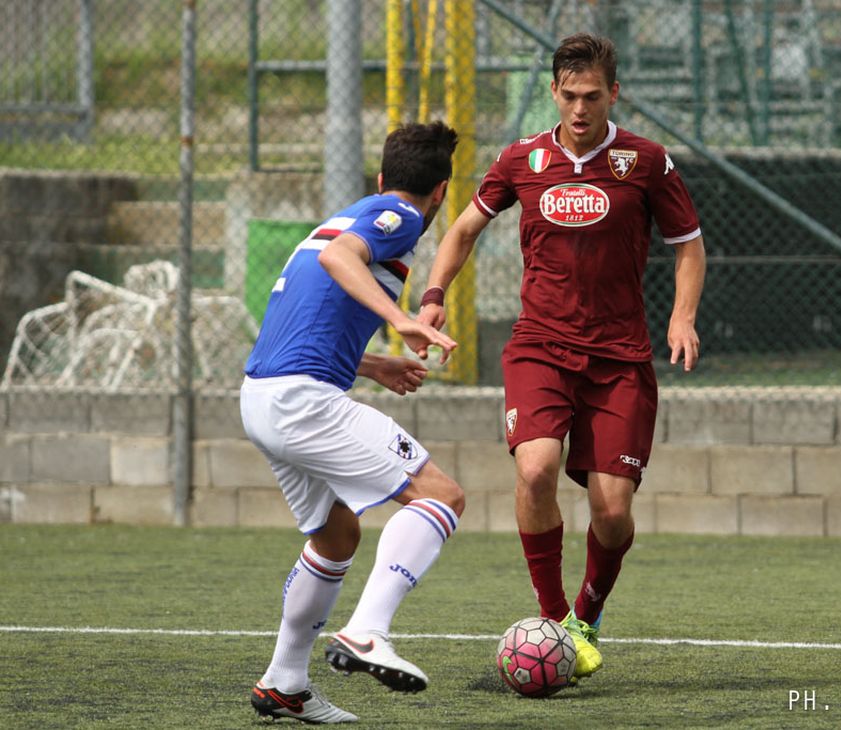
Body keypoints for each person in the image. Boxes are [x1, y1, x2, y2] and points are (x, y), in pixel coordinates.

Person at [418, 33, 706, 681]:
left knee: (611, 511)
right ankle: (552, 622)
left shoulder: (647, 162)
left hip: (620, 358)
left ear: (614, 94)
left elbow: (689, 243)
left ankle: (586, 616)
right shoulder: (521, 160)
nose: (580, 108)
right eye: (570, 95)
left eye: (593, 96)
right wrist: (434, 296)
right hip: (540, 347)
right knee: (537, 469)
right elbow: (463, 229)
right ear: (553, 92)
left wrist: (682, 316)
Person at [241, 121, 464, 724]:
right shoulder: (401, 217)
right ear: (441, 191)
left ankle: (284, 683)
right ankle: (367, 630)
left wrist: (370, 365)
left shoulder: (342, 217)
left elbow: (304, 314)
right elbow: (344, 261)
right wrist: (406, 320)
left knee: (337, 535)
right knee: (441, 496)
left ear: (382, 173)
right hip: (301, 402)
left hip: (262, 397)